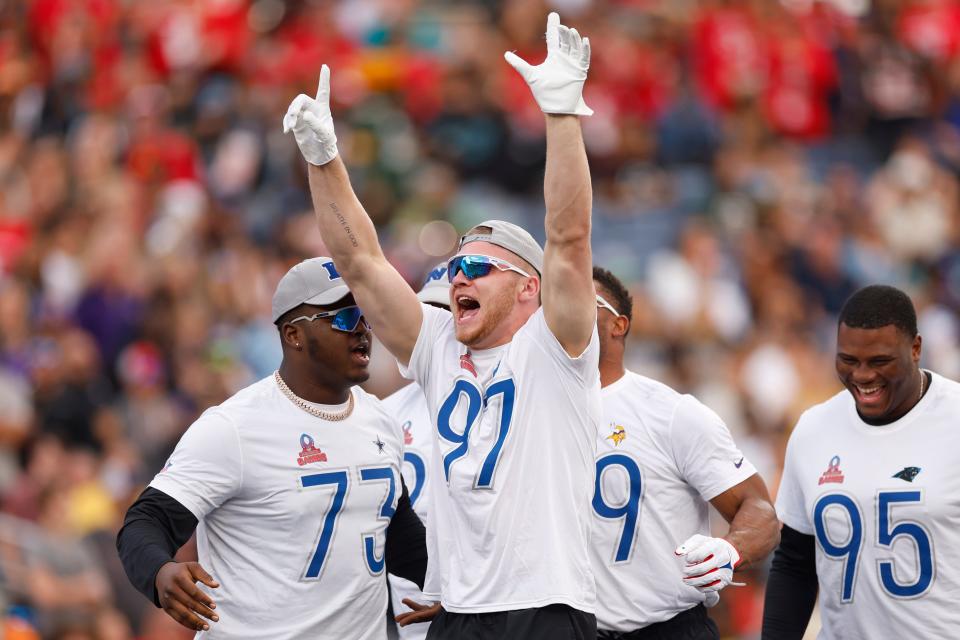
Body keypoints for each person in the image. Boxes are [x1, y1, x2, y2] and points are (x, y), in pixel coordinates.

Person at [283, 12, 601, 639]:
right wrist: (325, 158)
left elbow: (568, 237)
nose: (459, 278)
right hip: (458, 614)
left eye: (480, 267)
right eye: (455, 267)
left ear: (529, 289)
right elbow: (361, 262)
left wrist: (562, 115)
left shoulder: (555, 348)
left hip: (546, 608)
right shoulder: (437, 350)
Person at [115, 258, 427, 639]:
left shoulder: (380, 417)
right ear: (294, 334)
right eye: (343, 319)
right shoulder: (234, 426)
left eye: (364, 316)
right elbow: (146, 521)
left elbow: (395, 533)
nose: (361, 330)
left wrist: (457, 588)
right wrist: (160, 572)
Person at [590, 267, 779, 640]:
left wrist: (730, 548)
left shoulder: (670, 413)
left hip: (663, 629)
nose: (565, 307)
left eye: (583, 300)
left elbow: (759, 510)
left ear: (619, 324)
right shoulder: (530, 410)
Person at [762, 284, 960, 639]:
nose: (862, 375)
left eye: (879, 361)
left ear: (915, 349)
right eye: (848, 360)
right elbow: (795, 562)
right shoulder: (814, 428)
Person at [384, 263, 449, 640]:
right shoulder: (384, 412)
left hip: (477, 604)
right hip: (398, 610)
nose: (431, 327)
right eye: (426, 314)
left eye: (444, 315)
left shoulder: (502, 402)